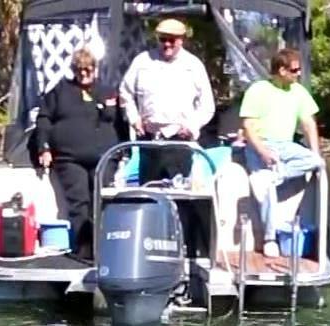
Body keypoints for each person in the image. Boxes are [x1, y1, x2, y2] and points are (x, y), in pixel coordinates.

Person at [34, 47, 127, 261]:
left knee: (102, 200)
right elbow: (44, 119)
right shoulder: (59, 91)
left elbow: (120, 123)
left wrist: (124, 150)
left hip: (105, 158)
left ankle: (105, 248)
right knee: (79, 202)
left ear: (95, 69)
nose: (83, 74)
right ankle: (84, 250)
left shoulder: (108, 92)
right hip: (70, 159)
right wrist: (43, 148)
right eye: (79, 70)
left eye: (87, 69)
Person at [239, 47, 323, 258]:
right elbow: (248, 127)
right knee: (267, 190)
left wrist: (315, 153)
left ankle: (279, 174)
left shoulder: (299, 92)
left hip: (286, 146)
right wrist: (263, 152)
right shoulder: (258, 90)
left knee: (316, 161)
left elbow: (308, 123)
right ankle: (270, 239)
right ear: (282, 70)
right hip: (261, 144)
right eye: (294, 70)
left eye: (299, 70)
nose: (298, 74)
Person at [118, 19, 215, 185]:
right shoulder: (142, 61)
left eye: (172, 40)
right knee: (149, 193)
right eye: (163, 39)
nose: (167, 44)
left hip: (180, 142)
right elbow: (125, 92)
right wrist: (134, 119)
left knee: (179, 194)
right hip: (149, 142)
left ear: (181, 40)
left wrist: (192, 126)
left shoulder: (193, 65)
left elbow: (207, 105)